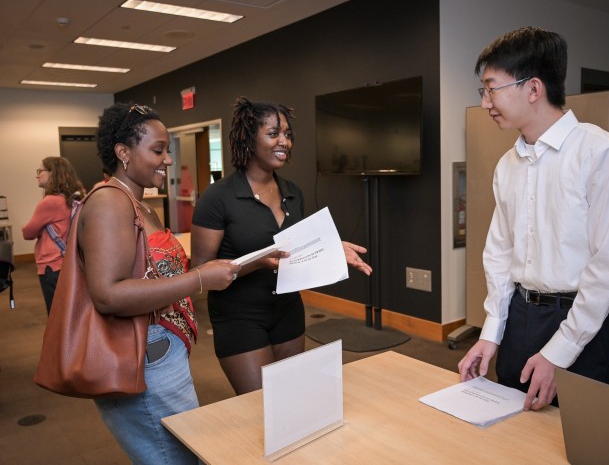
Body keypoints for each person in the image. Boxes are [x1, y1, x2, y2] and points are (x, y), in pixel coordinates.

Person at [457, 27, 609, 411]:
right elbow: (499, 254)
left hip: (585, 323)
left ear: (533, 88)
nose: (486, 101)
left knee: (580, 440)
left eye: (492, 88)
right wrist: (491, 332)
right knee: (513, 433)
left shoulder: (602, 153)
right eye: (483, 91)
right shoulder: (507, 165)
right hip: (520, 319)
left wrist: (561, 349)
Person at [79, 101, 240, 464]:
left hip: (161, 348)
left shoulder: (140, 204)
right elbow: (108, 294)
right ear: (123, 153)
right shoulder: (110, 203)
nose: (168, 159)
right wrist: (198, 279)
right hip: (141, 356)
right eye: (158, 150)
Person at [190, 97, 372, 395]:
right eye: (273, 133)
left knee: (290, 400)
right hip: (239, 316)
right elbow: (199, 271)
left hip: (287, 310)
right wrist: (258, 261)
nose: (284, 141)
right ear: (249, 139)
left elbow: (294, 250)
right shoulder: (218, 197)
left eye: (287, 134)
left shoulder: (292, 192)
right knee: (260, 407)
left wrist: (330, 247)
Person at [22, 156, 85, 314]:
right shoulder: (72, 199)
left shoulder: (49, 202)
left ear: (52, 173)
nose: (37, 175)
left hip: (52, 266)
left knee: (56, 316)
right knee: (70, 313)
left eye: (40, 170)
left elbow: (27, 232)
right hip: (70, 263)